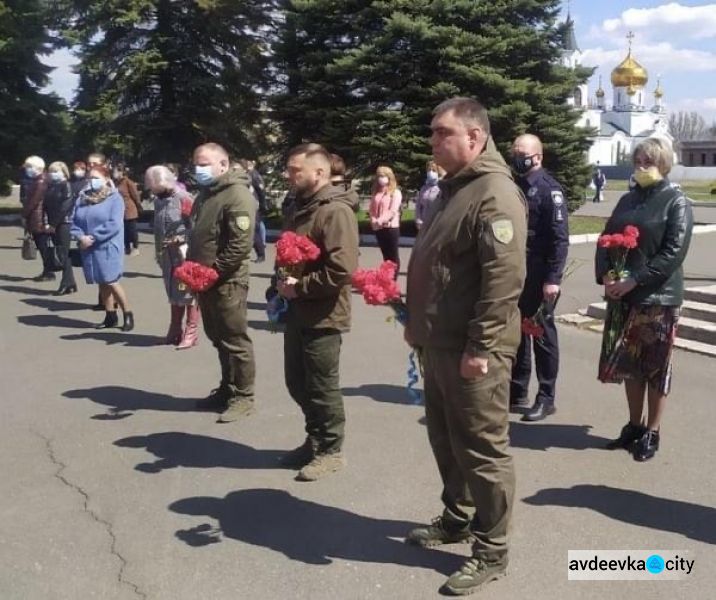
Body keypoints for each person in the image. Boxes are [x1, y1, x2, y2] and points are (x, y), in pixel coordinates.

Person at [404, 97, 527, 596]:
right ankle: (457, 518)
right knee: (446, 440)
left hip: (474, 350)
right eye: (433, 132)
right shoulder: (454, 190)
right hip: (439, 344)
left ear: (474, 138)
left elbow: (504, 280)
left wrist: (480, 346)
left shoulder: (494, 193)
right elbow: (442, 267)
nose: (432, 140)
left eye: (441, 133)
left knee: (482, 450)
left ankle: (491, 549)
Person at [595, 137, 693, 462]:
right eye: (637, 161)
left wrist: (635, 280)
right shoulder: (628, 199)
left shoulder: (675, 201)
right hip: (624, 296)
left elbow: (672, 253)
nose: (640, 167)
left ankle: (653, 430)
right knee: (630, 366)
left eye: (647, 162)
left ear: (662, 164)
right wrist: (608, 275)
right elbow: (605, 238)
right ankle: (634, 426)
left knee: (654, 369)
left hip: (658, 298)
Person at [274, 143, 359, 481]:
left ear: (319, 173)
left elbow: (342, 270)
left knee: (322, 386)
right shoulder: (300, 206)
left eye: (296, 170)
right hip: (297, 310)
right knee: (297, 381)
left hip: (323, 313)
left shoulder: (334, 212)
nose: (289, 175)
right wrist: (278, 286)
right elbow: (288, 254)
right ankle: (315, 438)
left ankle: (330, 450)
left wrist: (300, 287)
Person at [187, 143, 257, 423]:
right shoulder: (206, 194)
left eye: (204, 164)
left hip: (227, 280)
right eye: (196, 163)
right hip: (206, 280)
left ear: (223, 165)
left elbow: (240, 244)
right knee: (218, 337)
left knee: (235, 340)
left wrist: (214, 272)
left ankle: (244, 396)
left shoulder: (237, 195)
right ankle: (227, 389)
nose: (198, 169)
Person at [508, 134, 569, 422]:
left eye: (522, 152)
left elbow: (559, 239)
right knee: (518, 332)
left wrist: (553, 278)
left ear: (538, 157)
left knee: (541, 334)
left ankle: (546, 396)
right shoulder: (515, 186)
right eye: (515, 152)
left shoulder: (549, 190)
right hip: (517, 273)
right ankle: (517, 389)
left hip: (540, 273)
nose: (517, 156)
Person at [71, 165, 134, 331]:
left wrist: (93, 237)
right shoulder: (82, 198)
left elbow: (114, 223)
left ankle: (128, 314)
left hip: (107, 245)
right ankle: (110, 315)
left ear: (106, 179)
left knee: (111, 280)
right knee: (101, 282)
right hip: (89, 247)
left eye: (96, 177)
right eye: (90, 178)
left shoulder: (114, 198)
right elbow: (74, 221)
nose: (92, 181)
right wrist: (80, 236)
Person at [145, 165, 198, 349]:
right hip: (166, 255)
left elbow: (196, 226)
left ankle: (191, 333)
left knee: (188, 292)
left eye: (156, 187)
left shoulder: (184, 198)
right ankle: (174, 331)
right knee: (173, 293)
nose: (154, 191)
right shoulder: (160, 199)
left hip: (184, 253)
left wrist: (180, 237)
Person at [44, 162, 78, 295]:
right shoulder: (51, 186)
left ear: (64, 172)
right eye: (51, 171)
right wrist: (47, 223)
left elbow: (65, 207)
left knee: (63, 252)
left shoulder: (66, 186)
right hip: (53, 223)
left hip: (64, 223)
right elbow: (47, 205)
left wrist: (53, 224)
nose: (53, 174)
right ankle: (70, 282)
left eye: (56, 171)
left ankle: (65, 283)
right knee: (62, 253)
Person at [20, 156, 53, 281]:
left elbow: (34, 201)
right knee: (41, 245)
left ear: (36, 167)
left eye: (29, 167)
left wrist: (24, 214)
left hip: (38, 217)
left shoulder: (41, 181)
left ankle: (49, 271)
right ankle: (47, 270)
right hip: (36, 217)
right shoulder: (38, 179)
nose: (27, 169)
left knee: (42, 245)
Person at [369, 165, 402, 277]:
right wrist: (373, 219)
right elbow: (372, 209)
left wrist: (380, 220)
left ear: (389, 177)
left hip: (391, 228)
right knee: (385, 256)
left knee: (393, 256)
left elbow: (393, 210)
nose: (381, 178)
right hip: (379, 229)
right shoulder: (376, 192)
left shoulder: (395, 192)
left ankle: (393, 281)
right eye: (379, 176)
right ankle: (387, 279)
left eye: (383, 176)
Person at [113, 164, 143, 256]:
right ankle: (127, 247)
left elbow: (135, 195)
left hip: (129, 208)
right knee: (124, 230)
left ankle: (135, 247)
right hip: (120, 209)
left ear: (121, 172)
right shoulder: (116, 183)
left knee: (132, 229)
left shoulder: (128, 182)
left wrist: (139, 205)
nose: (113, 174)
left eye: (115, 172)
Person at [414, 161, 444, 230]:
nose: (430, 172)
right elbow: (418, 206)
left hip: (437, 224)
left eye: (433, 170)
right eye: (429, 170)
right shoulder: (424, 188)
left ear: (438, 172)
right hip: (423, 224)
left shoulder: (442, 187)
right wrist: (418, 220)